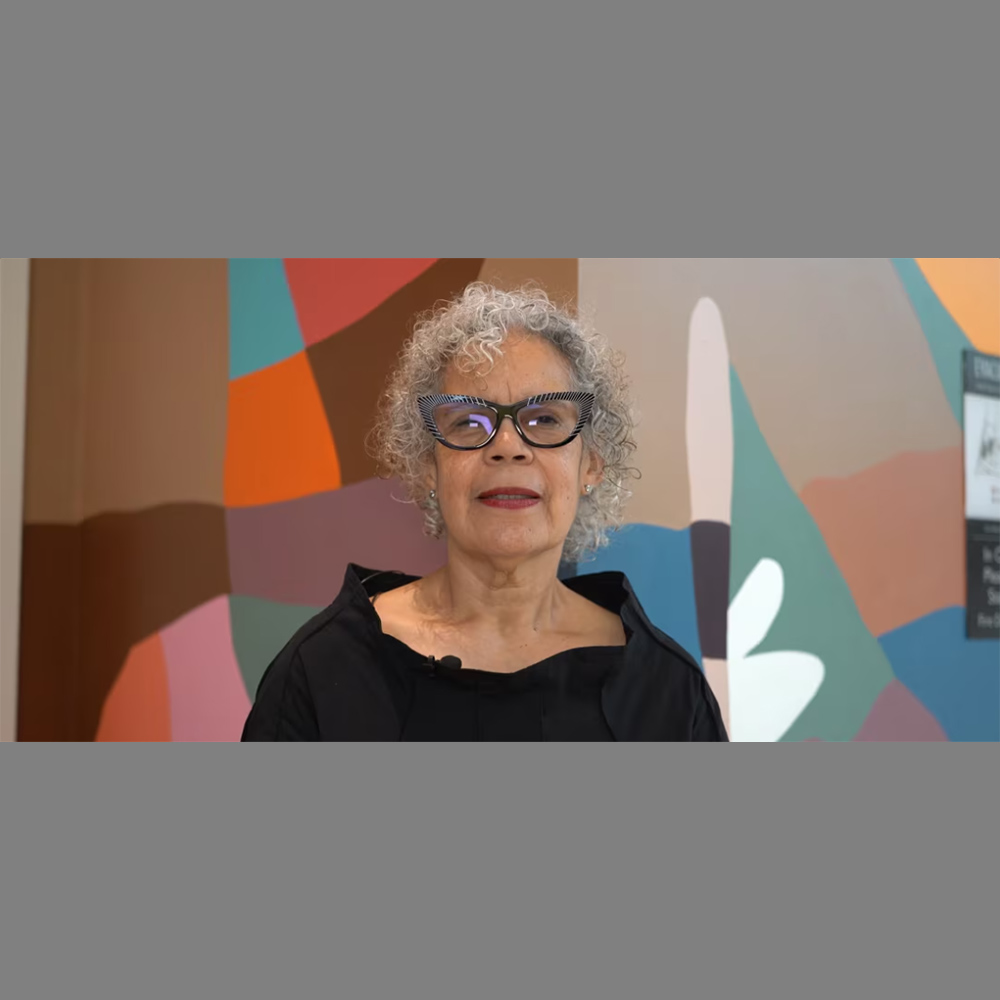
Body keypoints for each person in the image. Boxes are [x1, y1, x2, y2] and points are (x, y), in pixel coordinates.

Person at [241, 284, 728, 741]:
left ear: (591, 464)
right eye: (470, 422)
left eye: (545, 418)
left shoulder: (668, 691)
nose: (508, 446)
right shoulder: (322, 670)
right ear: (428, 466)